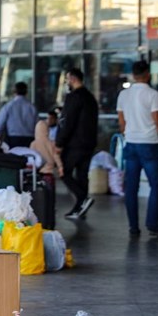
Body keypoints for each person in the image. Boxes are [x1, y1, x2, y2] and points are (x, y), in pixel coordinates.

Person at [117, 60, 158, 238]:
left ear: (134, 75)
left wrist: (129, 134)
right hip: (149, 145)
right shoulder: (153, 94)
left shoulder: (123, 95)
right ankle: (152, 224)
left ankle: (133, 227)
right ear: (148, 74)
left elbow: (121, 123)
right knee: (157, 185)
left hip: (131, 144)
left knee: (131, 188)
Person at [55, 68, 99, 220]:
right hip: (89, 143)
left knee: (64, 172)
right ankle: (80, 208)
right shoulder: (90, 97)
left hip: (75, 143)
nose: (67, 82)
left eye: (67, 79)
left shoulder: (73, 97)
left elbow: (68, 122)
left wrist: (59, 142)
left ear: (73, 78)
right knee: (82, 174)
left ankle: (83, 199)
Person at [0, 82, 37, 148]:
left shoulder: (9, 106)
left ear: (14, 91)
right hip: (30, 139)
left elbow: (0, 124)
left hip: (13, 139)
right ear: (26, 92)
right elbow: (37, 124)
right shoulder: (32, 107)